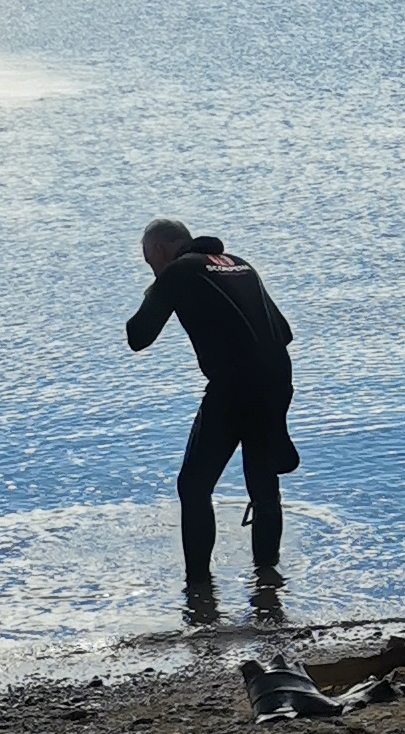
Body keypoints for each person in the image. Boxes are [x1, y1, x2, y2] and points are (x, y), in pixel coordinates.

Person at [126, 219, 299, 589]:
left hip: (235, 387)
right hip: (277, 382)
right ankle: (268, 584)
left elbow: (137, 336)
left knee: (193, 487)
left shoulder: (177, 272)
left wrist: (156, 290)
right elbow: (283, 332)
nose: (153, 269)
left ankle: (198, 590)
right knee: (263, 487)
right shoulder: (237, 263)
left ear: (159, 250)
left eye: (149, 261)